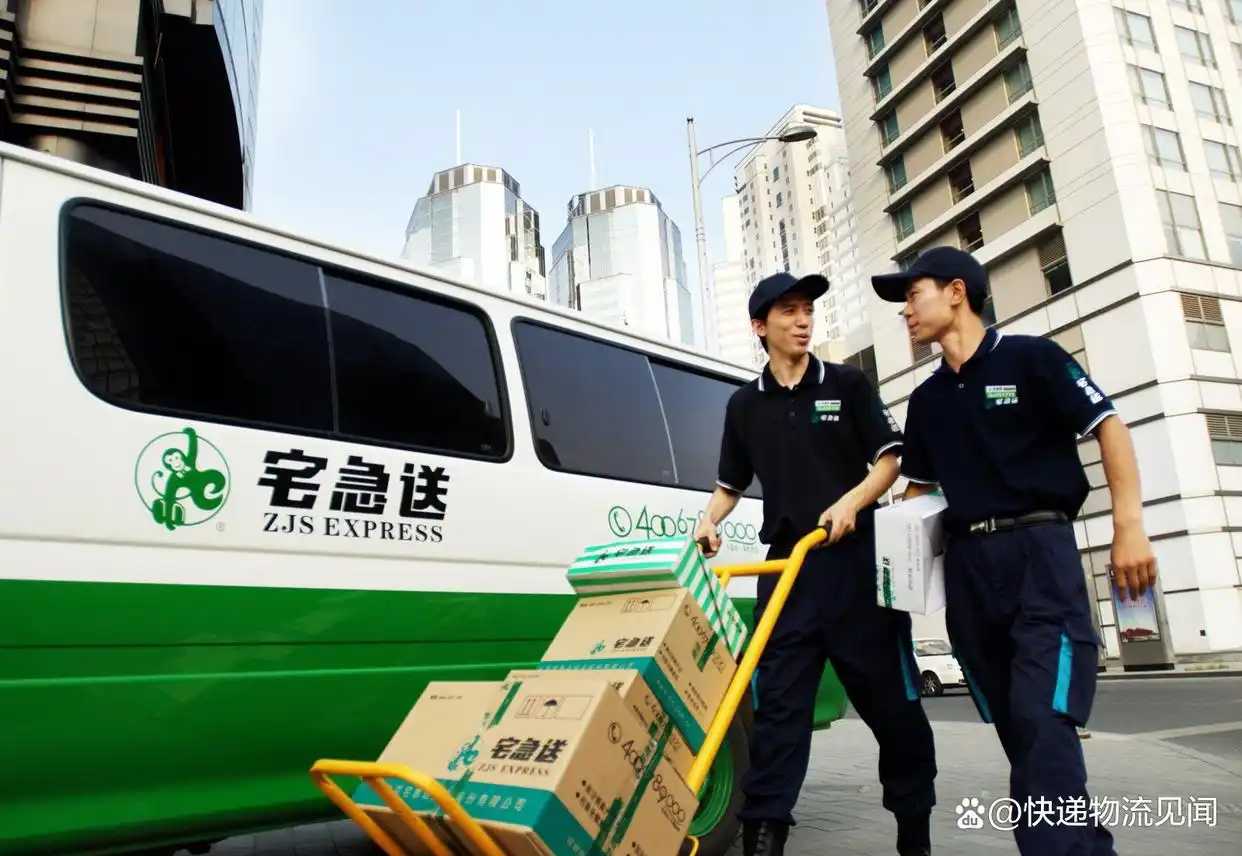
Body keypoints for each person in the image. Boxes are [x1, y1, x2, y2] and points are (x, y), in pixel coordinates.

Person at [870, 246, 1157, 856]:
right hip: (969, 574)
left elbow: (1108, 424)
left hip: (1039, 556)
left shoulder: (1032, 358)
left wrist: (1128, 526)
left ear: (957, 292)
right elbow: (918, 492)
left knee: (1041, 720)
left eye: (912, 295)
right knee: (1021, 736)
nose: (905, 312)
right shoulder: (926, 400)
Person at [694, 271, 938, 856]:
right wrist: (709, 519)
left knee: (894, 708)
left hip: (857, 567)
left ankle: (915, 834)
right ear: (760, 326)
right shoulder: (744, 405)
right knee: (777, 713)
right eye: (789, 311)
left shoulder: (848, 384)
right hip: (788, 573)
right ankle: (764, 835)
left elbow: (890, 460)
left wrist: (853, 502)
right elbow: (730, 484)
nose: (803, 320)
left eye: (807, 309)